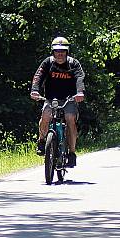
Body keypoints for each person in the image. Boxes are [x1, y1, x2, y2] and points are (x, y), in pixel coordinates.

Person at [29, 36, 86, 168]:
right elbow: (38, 76)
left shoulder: (73, 63)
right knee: (45, 116)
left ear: (67, 51)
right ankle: (42, 141)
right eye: (57, 51)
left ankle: (71, 153)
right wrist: (35, 90)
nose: (60, 54)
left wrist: (80, 92)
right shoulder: (48, 62)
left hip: (69, 99)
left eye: (63, 51)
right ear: (53, 51)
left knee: (70, 118)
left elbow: (79, 78)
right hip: (50, 99)